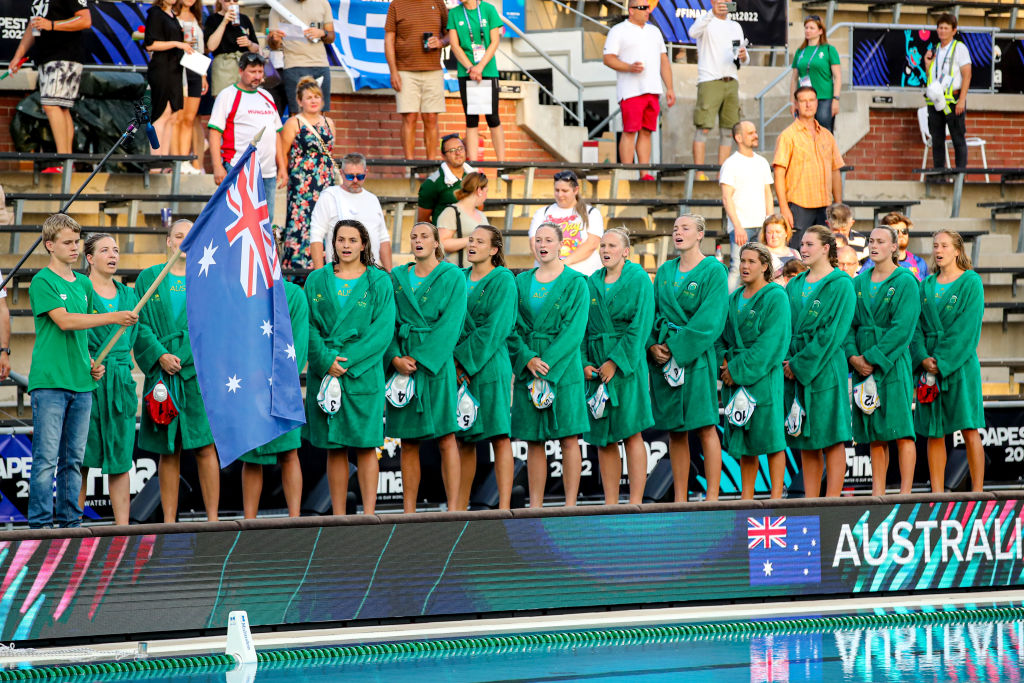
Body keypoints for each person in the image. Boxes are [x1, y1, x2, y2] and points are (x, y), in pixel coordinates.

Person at [27, 215, 137, 529]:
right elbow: (65, 321)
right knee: (47, 460)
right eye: (68, 242)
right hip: (50, 382)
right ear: (50, 245)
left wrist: (91, 361)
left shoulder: (85, 283)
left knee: (74, 461)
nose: (75, 248)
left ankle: (70, 523)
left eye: (77, 241)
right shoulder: (42, 281)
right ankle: (39, 526)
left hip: (82, 382)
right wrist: (113, 316)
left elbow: (82, 334)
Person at [305, 220, 396, 515]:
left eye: (352, 240)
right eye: (341, 239)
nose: (346, 245)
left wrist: (347, 362)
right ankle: (339, 515)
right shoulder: (315, 280)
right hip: (326, 372)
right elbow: (308, 326)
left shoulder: (379, 281)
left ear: (364, 244)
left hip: (363, 374)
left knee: (367, 445)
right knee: (335, 447)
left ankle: (370, 514)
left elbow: (382, 330)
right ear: (333, 244)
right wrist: (324, 360)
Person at [134, 219, 220, 523]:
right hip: (162, 376)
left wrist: (181, 358)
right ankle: (169, 520)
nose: (184, 241)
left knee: (205, 447)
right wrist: (160, 355)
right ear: (169, 241)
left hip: (196, 376)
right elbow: (139, 324)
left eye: (190, 236)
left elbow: (215, 329)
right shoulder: (148, 278)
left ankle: (212, 520)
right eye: (178, 236)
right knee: (168, 450)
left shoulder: (208, 279)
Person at [386, 222, 467, 512]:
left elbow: (452, 324)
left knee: (446, 437)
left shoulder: (453, 276)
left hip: (436, 365)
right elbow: (388, 323)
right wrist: (395, 357)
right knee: (408, 441)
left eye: (424, 237)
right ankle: (408, 510)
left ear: (436, 243)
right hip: (402, 366)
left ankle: (455, 508)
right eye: (413, 237)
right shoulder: (396, 277)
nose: (418, 241)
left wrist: (420, 359)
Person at [647, 214, 728, 502]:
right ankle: (680, 497)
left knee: (705, 425)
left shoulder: (713, 271)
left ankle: (713, 497)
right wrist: (653, 345)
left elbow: (711, 320)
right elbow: (652, 313)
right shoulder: (665, 271)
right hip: (664, 360)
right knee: (675, 431)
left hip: (695, 358)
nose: (677, 232)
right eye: (675, 228)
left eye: (685, 228)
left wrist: (677, 348)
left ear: (700, 235)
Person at [508, 222, 589, 507]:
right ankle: (536, 504)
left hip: (564, 368)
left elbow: (574, 330)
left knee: (568, 437)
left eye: (548, 240)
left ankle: (569, 504)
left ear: (560, 244)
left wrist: (548, 364)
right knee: (534, 440)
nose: (542, 245)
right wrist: (527, 358)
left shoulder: (576, 282)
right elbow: (512, 326)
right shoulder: (519, 282)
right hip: (529, 366)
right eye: (538, 240)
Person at [845, 225, 921, 496]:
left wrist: (872, 357)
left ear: (893, 247)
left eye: (880, 241)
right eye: (871, 240)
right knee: (874, 431)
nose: (874, 245)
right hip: (861, 369)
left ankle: (905, 492)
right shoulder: (857, 283)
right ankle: (877, 492)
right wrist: (854, 357)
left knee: (901, 430)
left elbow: (903, 328)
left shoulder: (905, 281)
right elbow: (848, 326)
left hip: (892, 366)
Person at [582, 228, 654, 505]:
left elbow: (640, 325)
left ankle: (636, 500)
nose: (605, 250)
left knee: (631, 432)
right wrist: (586, 363)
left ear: (626, 251)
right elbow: (583, 329)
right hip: (597, 367)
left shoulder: (639, 279)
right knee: (604, 437)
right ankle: (610, 502)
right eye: (601, 245)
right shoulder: (591, 282)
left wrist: (616, 361)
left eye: (611, 245)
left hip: (627, 366)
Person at [782, 225, 855, 498]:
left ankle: (832, 501)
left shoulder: (841, 284)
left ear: (826, 248)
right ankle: (810, 501)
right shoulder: (796, 284)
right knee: (807, 439)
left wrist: (799, 365)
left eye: (810, 244)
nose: (803, 248)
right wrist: (788, 361)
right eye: (802, 244)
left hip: (824, 368)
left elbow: (832, 334)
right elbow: (786, 327)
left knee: (832, 437)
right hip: (794, 367)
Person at [911, 230, 985, 492]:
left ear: (957, 250)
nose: (938, 250)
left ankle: (978, 491)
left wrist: (940, 361)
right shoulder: (924, 286)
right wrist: (922, 358)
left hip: (960, 365)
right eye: (935, 245)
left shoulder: (971, 283)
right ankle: (938, 492)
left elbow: (967, 329)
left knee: (969, 427)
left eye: (944, 245)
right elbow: (916, 328)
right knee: (934, 431)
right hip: (928, 366)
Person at [717, 242, 790, 499]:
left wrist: (735, 369)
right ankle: (746, 497)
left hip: (763, 378)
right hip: (734, 379)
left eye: (751, 262)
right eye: (742, 261)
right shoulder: (733, 298)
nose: (745, 266)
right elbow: (721, 338)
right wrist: (724, 363)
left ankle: (776, 497)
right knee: (746, 441)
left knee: (770, 439)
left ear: (765, 266)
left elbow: (771, 344)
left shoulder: (776, 297)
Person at [453, 225, 517, 510]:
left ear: (494, 249)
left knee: (499, 435)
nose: (472, 245)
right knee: (464, 439)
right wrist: (452, 362)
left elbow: (496, 327)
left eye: (480, 241)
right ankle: (458, 505)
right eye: (470, 240)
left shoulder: (503, 279)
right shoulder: (457, 277)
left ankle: (504, 506)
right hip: (457, 368)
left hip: (490, 366)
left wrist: (462, 360)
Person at [79, 233, 140, 527]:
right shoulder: (79, 291)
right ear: (89, 258)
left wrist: (121, 364)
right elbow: (72, 334)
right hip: (86, 383)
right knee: (80, 460)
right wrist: (87, 362)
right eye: (105, 250)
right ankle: (70, 528)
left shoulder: (128, 296)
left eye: (115, 249)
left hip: (120, 383)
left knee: (120, 460)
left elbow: (133, 339)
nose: (113, 254)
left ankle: (122, 529)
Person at [239, 272, 309, 519]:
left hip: (285, 388)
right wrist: (253, 375)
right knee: (252, 455)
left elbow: (298, 345)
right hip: (250, 387)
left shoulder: (295, 295)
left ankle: (294, 518)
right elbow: (237, 340)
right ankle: (249, 521)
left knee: (289, 452)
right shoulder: (243, 292)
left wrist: (277, 378)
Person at [9, 0, 92, 161]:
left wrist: (52, 25)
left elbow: (85, 19)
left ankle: (63, 160)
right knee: (61, 107)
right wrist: (18, 56)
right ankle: (67, 160)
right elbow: (33, 26)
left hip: (65, 55)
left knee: (51, 104)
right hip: (45, 57)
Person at [208, 53, 287, 221]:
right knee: (239, 220)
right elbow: (215, 132)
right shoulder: (227, 95)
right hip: (239, 168)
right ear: (240, 71)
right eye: (252, 71)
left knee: (266, 220)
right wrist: (217, 166)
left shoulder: (267, 96)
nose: (257, 76)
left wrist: (282, 166)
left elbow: (276, 133)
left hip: (268, 172)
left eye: (260, 71)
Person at [602, 1, 675, 169]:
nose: (646, 11)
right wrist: (628, 67)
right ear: (631, 11)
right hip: (631, 91)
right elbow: (608, 58)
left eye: (647, 7)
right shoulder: (618, 30)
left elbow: (664, 60)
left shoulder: (654, 31)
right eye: (642, 8)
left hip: (653, 89)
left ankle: (644, 172)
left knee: (646, 132)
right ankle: (627, 172)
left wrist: (669, 87)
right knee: (630, 131)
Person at [773, 87, 845, 244]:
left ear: (817, 103)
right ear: (796, 104)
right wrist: (784, 208)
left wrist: (838, 204)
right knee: (798, 255)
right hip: (799, 206)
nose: (808, 104)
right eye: (803, 101)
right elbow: (778, 174)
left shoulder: (827, 135)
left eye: (812, 100)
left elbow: (835, 170)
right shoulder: (788, 136)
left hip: (825, 206)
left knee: (824, 254)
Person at [279, 76, 336, 270]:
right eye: (309, 97)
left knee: (325, 221)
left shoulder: (329, 122)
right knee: (301, 222)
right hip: (302, 183)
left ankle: (324, 265)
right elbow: (283, 150)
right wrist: (283, 172)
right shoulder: (294, 123)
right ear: (300, 101)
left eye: (317, 97)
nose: (313, 101)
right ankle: (297, 265)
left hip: (325, 181)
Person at [385, 0, 449, 159]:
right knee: (409, 117)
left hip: (433, 69)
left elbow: (450, 34)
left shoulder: (438, 3)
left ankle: (432, 165)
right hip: (404, 70)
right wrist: (393, 71)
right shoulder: (396, 4)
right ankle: (409, 165)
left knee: (431, 117)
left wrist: (441, 42)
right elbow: (389, 40)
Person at [690, 0, 749, 169]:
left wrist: (743, 55)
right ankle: (699, 173)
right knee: (703, 128)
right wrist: (711, 13)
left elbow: (743, 56)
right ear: (713, 1)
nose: (725, 4)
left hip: (732, 80)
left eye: (728, 1)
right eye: (721, 1)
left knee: (729, 131)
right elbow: (692, 33)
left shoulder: (735, 26)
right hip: (709, 80)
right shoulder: (705, 20)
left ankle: (721, 173)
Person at [310, 153, 393, 271]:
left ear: (366, 172)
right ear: (341, 173)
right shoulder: (329, 196)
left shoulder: (372, 199)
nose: (355, 180)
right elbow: (316, 236)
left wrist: (389, 274)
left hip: (371, 273)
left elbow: (383, 239)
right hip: (339, 273)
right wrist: (320, 275)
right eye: (350, 176)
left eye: (359, 176)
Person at [447, 0, 505, 161]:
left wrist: (479, 67)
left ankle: (502, 163)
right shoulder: (454, 13)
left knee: (492, 117)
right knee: (471, 118)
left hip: (487, 70)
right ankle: (472, 164)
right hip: (466, 72)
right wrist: (470, 68)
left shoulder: (488, 9)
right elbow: (454, 45)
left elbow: (494, 42)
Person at [720, 121, 774, 290]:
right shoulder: (730, 164)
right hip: (741, 228)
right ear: (739, 137)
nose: (755, 135)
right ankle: (728, 310)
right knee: (737, 268)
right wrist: (737, 227)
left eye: (755, 131)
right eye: (751, 133)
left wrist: (770, 223)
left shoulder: (762, 162)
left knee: (763, 269)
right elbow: (726, 198)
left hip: (762, 226)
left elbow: (767, 194)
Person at [528, 170, 605, 276]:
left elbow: (592, 244)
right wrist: (550, 266)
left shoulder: (592, 213)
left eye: (564, 190)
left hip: (581, 274)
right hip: (547, 275)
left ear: (575, 190)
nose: (560, 194)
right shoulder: (542, 212)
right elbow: (533, 243)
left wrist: (562, 265)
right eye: (557, 190)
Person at [267, 0, 335, 112]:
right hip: (293, 66)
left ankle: (318, 131)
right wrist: (275, 39)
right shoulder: (278, 5)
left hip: (321, 65)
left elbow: (331, 37)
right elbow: (273, 45)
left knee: (321, 113)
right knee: (296, 113)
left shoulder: (323, 3)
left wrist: (322, 33)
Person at [924, 13, 971, 170]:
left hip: (953, 101)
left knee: (958, 139)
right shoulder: (935, 50)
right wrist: (927, 64)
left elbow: (967, 74)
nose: (942, 31)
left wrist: (962, 100)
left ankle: (960, 175)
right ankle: (939, 174)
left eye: (946, 28)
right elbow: (931, 78)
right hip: (935, 102)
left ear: (954, 30)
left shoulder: (959, 48)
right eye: (940, 28)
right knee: (937, 139)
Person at [144, 0, 192, 154]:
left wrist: (183, 44)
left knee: (172, 115)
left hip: (175, 69)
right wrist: (177, 44)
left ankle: (163, 160)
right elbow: (150, 44)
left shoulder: (172, 15)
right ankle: (155, 160)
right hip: (162, 68)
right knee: (161, 113)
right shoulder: (155, 13)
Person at [789, 15, 841, 132]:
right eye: (806, 27)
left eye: (812, 28)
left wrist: (836, 99)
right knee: (804, 131)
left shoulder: (829, 49)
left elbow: (837, 77)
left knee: (823, 131)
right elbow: (794, 78)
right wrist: (792, 102)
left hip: (824, 98)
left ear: (820, 31)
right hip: (804, 98)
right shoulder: (800, 51)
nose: (808, 30)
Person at [176, 0, 207, 175]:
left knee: (189, 118)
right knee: (178, 118)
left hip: (195, 67)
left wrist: (203, 75)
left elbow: (200, 49)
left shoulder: (196, 16)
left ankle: (184, 159)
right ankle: (176, 160)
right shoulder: (172, 16)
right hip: (179, 69)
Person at [205, 0, 261, 96]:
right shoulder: (213, 19)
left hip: (244, 63)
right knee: (224, 101)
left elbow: (256, 48)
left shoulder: (244, 19)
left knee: (246, 100)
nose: (231, 3)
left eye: (235, 0)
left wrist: (249, 43)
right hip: (223, 64)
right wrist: (224, 22)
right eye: (227, 0)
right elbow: (211, 47)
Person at [418, 134, 475, 223]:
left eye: (460, 148)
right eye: (452, 150)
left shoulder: (474, 176)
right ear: (443, 156)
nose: (458, 153)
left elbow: (479, 208)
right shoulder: (432, 183)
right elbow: (423, 219)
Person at [438, 171, 488, 266]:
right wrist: (473, 239)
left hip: (480, 274)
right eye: (486, 191)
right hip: (458, 274)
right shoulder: (451, 212)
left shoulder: (482, 215)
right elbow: (441, 244)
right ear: (479, 190)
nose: (486, 196)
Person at [862, 212, 928, 281]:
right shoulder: (873, 263)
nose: (901, 234)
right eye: (895, 232)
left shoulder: (920, 263)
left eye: (904, 231)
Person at [759, 214, 801, 279]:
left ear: (786, 233)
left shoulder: (795, 252)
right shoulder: (760, 254)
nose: (774, 236)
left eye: (778, 232)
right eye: (770, 232)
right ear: (764, 234)